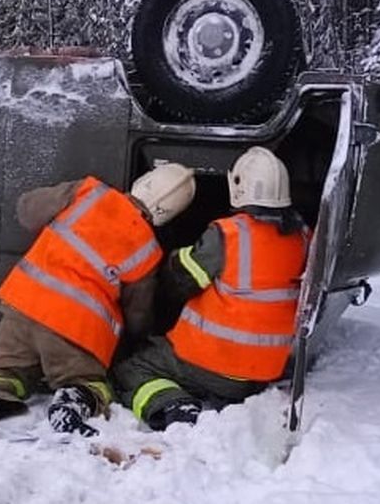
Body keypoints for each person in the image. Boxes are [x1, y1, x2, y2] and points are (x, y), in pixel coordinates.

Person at [0, 163, 196, 436]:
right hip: (74, 331)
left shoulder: (88, 191)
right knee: (88, 383)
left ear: (144, 181)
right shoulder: (148, 251)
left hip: (22, 305)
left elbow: (28, 210)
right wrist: (136, 342)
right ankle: (73, 401)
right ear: (170, 215)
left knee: (9, 371)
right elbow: (137, 316)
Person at [112, 147, 309, 431]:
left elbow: (182, 281)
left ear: (238, 185)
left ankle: (171, 405)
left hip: (214, 362)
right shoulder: (302, 236)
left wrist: (171, 261)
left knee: (130, 369)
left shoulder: (228, 234)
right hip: (263, 371)